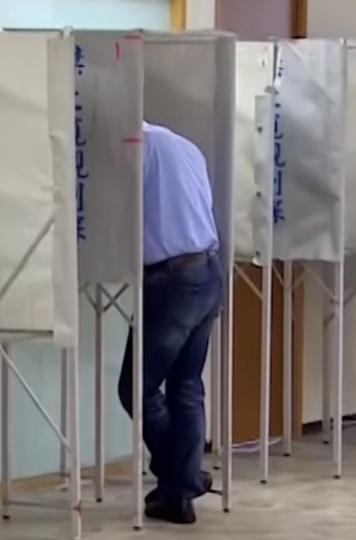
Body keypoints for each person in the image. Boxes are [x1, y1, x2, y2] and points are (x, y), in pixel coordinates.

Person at [117, 121, 224, 525]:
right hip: (208, 271)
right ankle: (180, 489)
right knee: (186, 386)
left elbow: (120, 216)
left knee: (135, 386)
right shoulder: (186, 146)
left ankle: (182, 480)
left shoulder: (134, 148)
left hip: (172, 280)